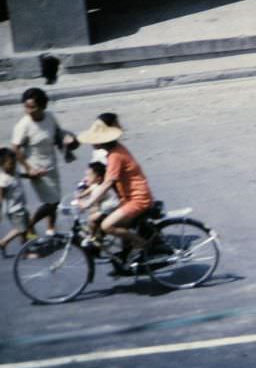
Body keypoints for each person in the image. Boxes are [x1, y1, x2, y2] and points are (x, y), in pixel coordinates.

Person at [77, 120, 153, 259]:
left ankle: (144, 245)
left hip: (138, 199)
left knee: (107, 226)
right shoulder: (114, 151)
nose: (92, 143)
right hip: (127, 198)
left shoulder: (115, 156)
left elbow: (107, 183)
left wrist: (88, 203)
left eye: (94, 140)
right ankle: (127, 253)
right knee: (101, 220)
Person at [11, 88, 74, 236]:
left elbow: (57, 133)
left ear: (43, 106)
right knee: (53, 202)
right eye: (26, 106)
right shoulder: (23, 125)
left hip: (51, 165)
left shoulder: (50, 117)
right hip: (37, 170)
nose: (28, 110)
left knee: (54, 199)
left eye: (32, 107)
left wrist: (66, 143)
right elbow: (16, 148)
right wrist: (29, 169)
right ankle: (30, 225)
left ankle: (51, 230)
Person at [77, 161, 119, 247]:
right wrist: (79, 195)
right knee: (94, 214)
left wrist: (82, 204)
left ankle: (92, 237)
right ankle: (98, 235)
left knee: (92, 218)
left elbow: (92, 203)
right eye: (86, 175)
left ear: (98, 179)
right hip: (105, 207)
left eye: (89, 176)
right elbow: (88, 191)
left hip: (110, 208)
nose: (86, 178)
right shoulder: (95, 185)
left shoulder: (100, 189)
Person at [0, 147, 30, 257]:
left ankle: (25, 251)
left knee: (24, 231)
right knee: (21, 229)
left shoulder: (14, 171)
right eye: (10, 164)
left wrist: (31, 175)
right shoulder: (3, 179)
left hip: (20, 206)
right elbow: (1, 197)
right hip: (14, 210)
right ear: (2, 165)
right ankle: (4, 242)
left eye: (14, 163)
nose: (13, 166)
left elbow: (23, 175)